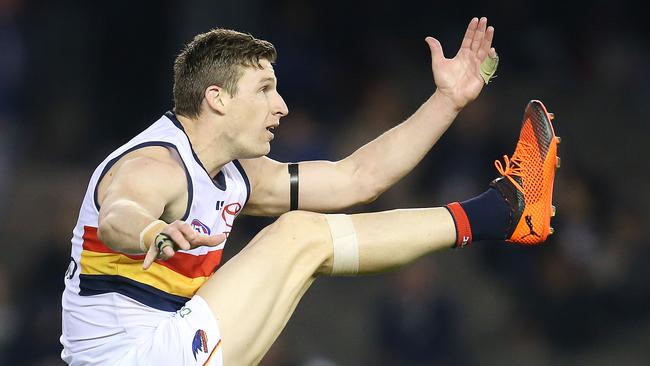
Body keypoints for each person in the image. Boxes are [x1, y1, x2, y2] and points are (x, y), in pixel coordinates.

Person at [60, 17, 560, 366]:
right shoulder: (155, 164)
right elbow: (118, 214)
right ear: (216, 98)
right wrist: (151, 231)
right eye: (263, 89)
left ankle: (503, 212)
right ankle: (502, 212)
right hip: (132, 359)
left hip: (168, 346)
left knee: (307, 238)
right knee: (297, 235)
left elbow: (357, 179)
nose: (281, 105)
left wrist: (447, 101)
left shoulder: (238, 174)